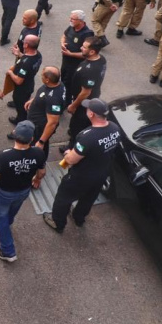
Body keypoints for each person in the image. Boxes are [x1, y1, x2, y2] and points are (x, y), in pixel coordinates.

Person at [43, 98, 119, 232]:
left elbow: (71, 160)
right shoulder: (114, 128)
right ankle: (79, 218)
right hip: (101, 173)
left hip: (81, 176)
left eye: (88, 108)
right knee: (89, 197)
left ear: (91, 114)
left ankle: (57, 222)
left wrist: (67, 153)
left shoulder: (87, 137)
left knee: (64, 197)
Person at [0, 120, 46, 263]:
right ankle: (8, 222)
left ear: (15, 135)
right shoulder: (38, 153)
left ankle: (8, 251)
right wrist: (36, 179)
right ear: (32, 139)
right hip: (24, 191)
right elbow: (41, 172)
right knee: (13, 210)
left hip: (4, 192)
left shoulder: (4, 155)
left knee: (0, 217)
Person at [65, 37, 107, 142]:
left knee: (77, 124)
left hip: (83, 102)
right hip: (91, 96)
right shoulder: (100, 58)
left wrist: (73, 105)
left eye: (84, 47)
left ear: (92, 51)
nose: (81, 48)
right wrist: (70, 54)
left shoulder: (90, 70)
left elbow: (85, 92)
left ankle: (72, 143)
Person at [22, 66, 65, 160]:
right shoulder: (57, 83)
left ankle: (37, 162)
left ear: (47, 80)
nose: (41, 76)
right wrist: (34, 100)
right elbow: (44, 94)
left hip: (40, 128)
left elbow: (52, 122)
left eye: (42, 75)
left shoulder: (53, 99)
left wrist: (41, 141)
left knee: (37, 147)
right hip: (36, 122)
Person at [6, 35, 42, 125]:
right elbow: (27, 59)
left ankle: (20, 122)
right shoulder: (38, 54)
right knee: (24, 103)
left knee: (21, 108)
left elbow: (18, 80)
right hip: (29, 85)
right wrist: (19, 54)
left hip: (21, 90)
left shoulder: (25, 64)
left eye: (24, 42)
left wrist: (10, 73)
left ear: (26, 45)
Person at [59, 10, 94, 86]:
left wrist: (71, 54)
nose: (70, 20)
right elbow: (64, 35)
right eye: (70, 18)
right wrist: (62, 43)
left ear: (81, 21)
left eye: (73, 19)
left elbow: (86, 54)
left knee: (69, 84)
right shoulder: (71, 27)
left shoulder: (87, 34)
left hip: (75, 65)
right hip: (65, 61)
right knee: (62, 79)